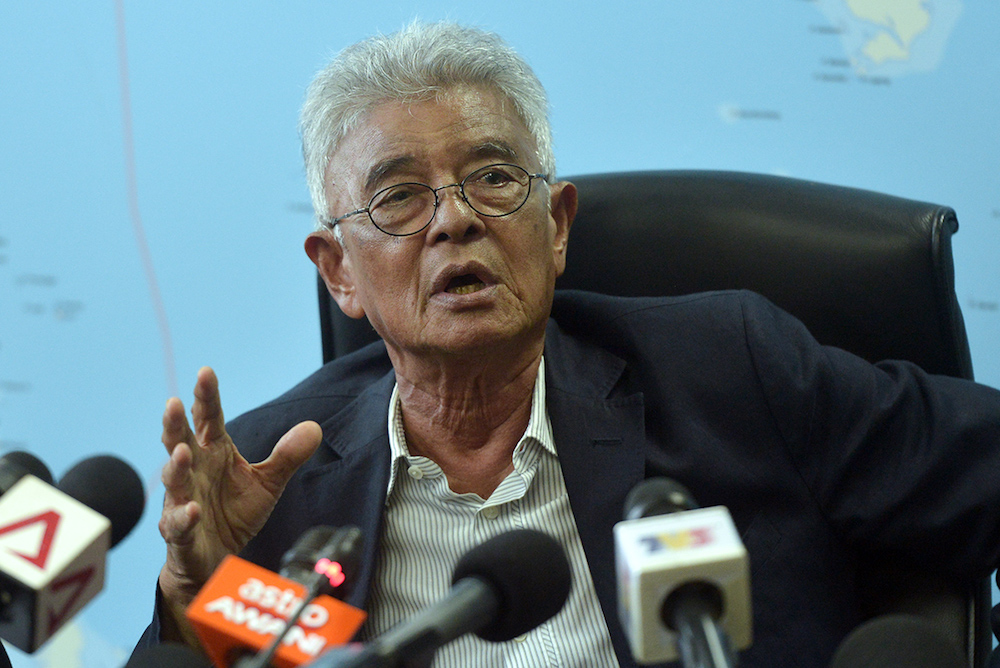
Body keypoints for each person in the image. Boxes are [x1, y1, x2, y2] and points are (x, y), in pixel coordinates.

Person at [136, 21, 1000, 667]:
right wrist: (190, 608)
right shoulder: (273, 480)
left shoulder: (730, 372)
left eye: (493, 177)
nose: (456, 218)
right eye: (399, 197)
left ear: (555, 228)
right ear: (339, 276)